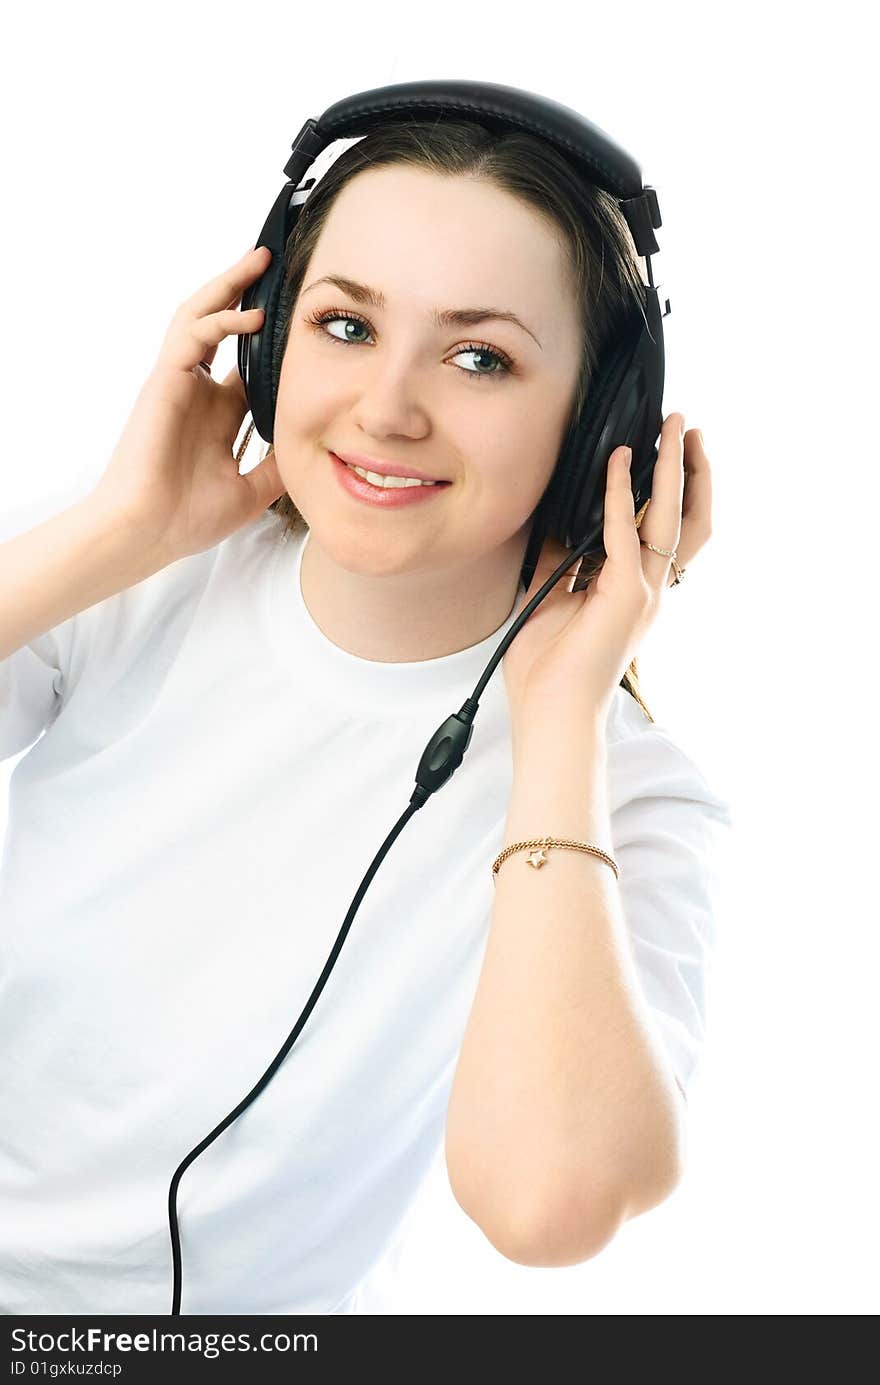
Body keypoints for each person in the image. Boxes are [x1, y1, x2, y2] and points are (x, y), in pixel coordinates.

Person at [0, 119, 733, 1315]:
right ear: (272, 337)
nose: (386, 408)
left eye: (481, 358)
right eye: (345, 326)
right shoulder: (122, 566)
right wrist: (117, 536)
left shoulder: (622, 796)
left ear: (602, 423)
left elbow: (545, 1206)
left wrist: (557, 724)